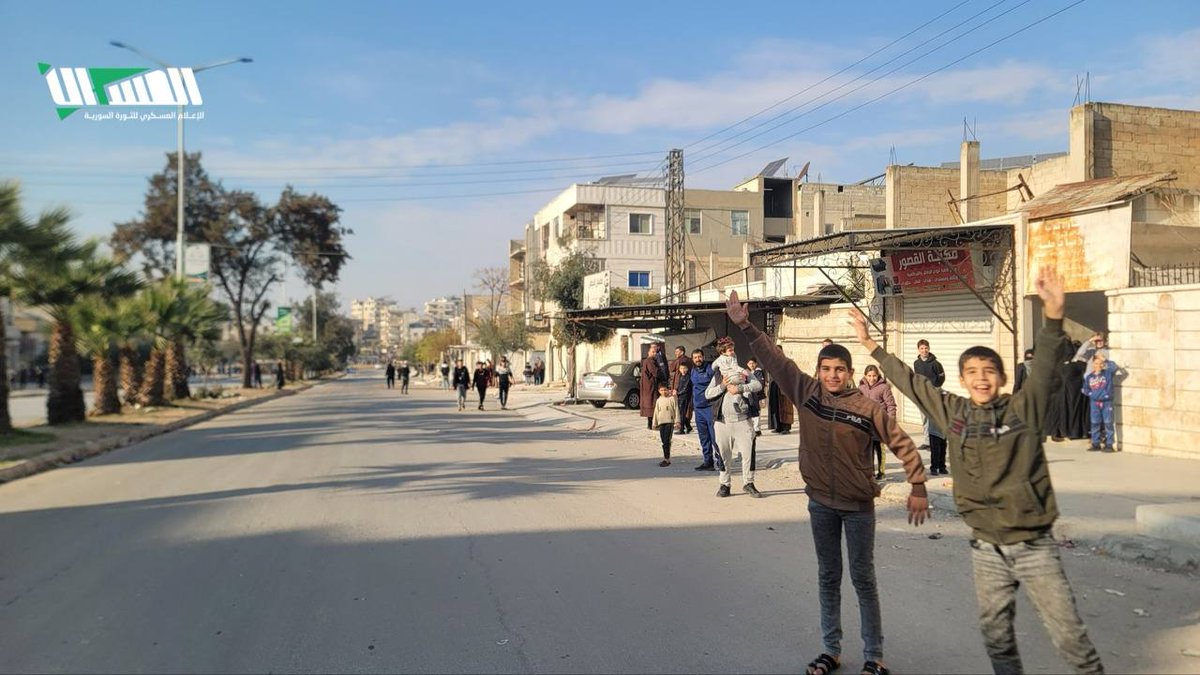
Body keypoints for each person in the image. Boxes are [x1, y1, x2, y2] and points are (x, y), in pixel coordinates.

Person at [850, 265, 1104, 675]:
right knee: (997, 639)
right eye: (973, 373)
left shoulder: (1024, 410)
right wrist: (871, 346)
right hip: (985, 547)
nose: (982, 379)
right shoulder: (953, 412)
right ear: (964, 380)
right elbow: (913, 384)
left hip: (1033, 545)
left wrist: (1054, 317)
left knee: (1070, 638)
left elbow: (1041, 375)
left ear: (1002, 378)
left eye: (989, 372)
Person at [727, 291, 928, 675]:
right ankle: (831, 650)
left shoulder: (866, 408)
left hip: (857, 508)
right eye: (826, 369)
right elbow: (774, 359)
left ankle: (874, 657)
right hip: (820, 503)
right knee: (828, 576)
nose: (832, 375)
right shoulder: (806, 392)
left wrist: (918, 486)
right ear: (818, 371)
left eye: (839, 369)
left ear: (850, 373)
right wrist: (744, 325)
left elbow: (902, 443)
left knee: (863, 579)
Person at [705, 336, 764, 498]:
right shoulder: (717, 374)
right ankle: (725, 485)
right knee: (724, 454)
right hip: (722, 421)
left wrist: (739, 388)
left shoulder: (742, 371)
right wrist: (723, 386)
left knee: (748, 453)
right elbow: (708, 394)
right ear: (722, 353)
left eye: (732, 349)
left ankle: (749, 483)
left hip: (743, 420)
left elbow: (758, 385)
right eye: (729, 349)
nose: (732, 352)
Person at [914, 338, 948, 474]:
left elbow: (942, 377)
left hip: (933, 394)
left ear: (929, 349)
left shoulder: (935, 363)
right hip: (922, 394)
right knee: (924, 418)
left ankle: (932, 443)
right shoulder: (916, 363)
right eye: (921, 348)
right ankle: (926, 441)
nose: (924, 350)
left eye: (926, 348)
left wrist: (935, 387)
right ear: (918, 350)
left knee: (932, 419)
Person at [858, 365, 897, 480]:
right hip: (866, 423)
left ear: (878, 375)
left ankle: (881, 472)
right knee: (868, 448)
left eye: (874, 375)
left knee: (879, 448)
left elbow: (891, 405)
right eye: (869, 375)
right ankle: (871, 472)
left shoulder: (884, 387)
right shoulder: (861, 388)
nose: (872, 378)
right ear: (865, 376)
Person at [689, 348, 722, 472]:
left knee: (715, 437)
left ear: (703, 357)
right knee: (704, 437)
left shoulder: (710, 369)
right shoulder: (692, 371)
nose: (698, 359)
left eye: (699, 357)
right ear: (693, 359)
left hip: (710, 407)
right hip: (698, 409)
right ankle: (707, 462)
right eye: (695, 357)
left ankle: (720, 461)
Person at [1082, 353, 1118, 452]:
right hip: (1094, 403)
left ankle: (1109, 444)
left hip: (1106, 402)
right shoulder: (1089, 377)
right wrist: (1091, 394)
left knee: (1108, 423)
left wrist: (1104, 359)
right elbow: (1084, 389)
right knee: (1095, 423)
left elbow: (1114, 366)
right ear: (1093, 364)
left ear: (1102, 365)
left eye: (1100, 363)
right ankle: (1095, 443)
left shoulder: (1107, 373)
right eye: (1095, 363)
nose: (1097, 365)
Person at [767, 346, 795, 434]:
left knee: (784, 407)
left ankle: (786, 427)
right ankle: (778, 426)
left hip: (784, 387)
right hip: (774, 386)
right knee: (776, 406)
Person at [651, 383, 677, 467]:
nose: (663, 392)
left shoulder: (672, 399)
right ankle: (665, 457)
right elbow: (656, 412)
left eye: (665, 390)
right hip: (661, 422)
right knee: (663, 441)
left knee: (666, 440)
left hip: (670, 421)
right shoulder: (659, 400)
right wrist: (654, 423)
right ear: (659, 391)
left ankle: (667, 459)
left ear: (668, 390)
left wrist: (678, 421)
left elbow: (676, 410)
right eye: (661, 390)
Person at [640, 343, 663, 430]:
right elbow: (655, 373)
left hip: (647, 386)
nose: (654, 354)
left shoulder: (647, 361)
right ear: (648, 353)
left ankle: (651, 424)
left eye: (655, 352)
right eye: (652, 352)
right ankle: (653, 424)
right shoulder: (650, 361)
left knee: (650, 404)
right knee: (652, 404)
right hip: (650, 386)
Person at [746, 357, 766, 436]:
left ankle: (757, 429)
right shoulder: (748, 372)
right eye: (749, 363)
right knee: (752, 411)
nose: (751, 365)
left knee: (757, 412)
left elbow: (761, 383)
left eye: (752, 363)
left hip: (758, 395)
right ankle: (754, 428)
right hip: (751, 395)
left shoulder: (758, 372)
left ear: (756, 364)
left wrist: (755, 392)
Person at [673, 360, 693, 434]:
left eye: (684, 368)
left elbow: (685, 388)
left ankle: (681, 429)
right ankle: (688, 426)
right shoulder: (681, 376)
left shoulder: (688, 377)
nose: (683, 370)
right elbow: (679, 386)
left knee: (682, 413)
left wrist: (678, 393)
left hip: (685, 396)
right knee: (682, 412)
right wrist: (675, 390)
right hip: (680, 396)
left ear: (687, 369)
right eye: (681, 368)